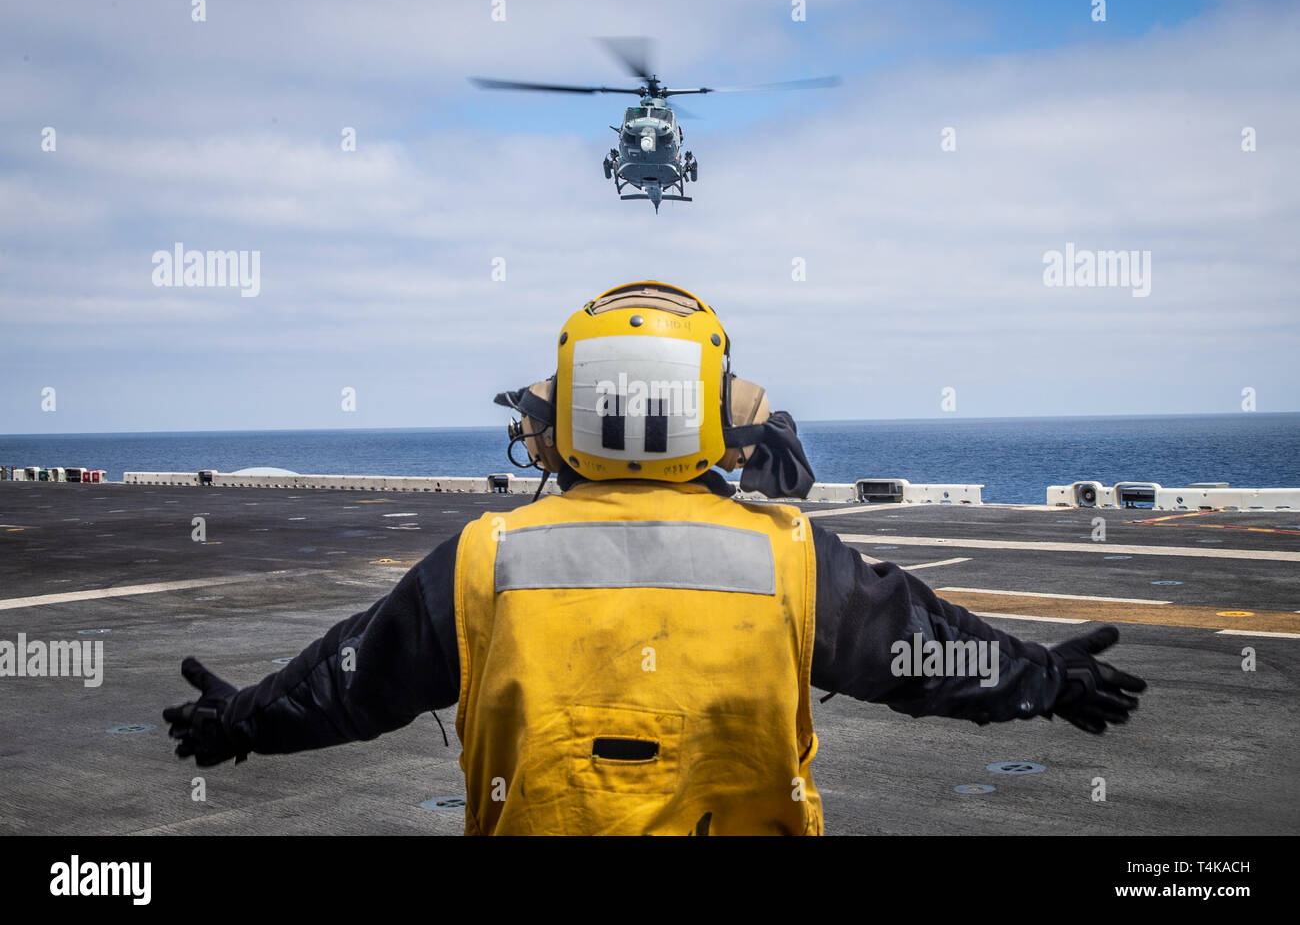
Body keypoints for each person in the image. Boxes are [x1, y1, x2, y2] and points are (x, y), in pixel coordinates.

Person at [163, 281, 1146, 835]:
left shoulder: (482, 561)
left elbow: (350, 682)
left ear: (556, 422)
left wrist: (239, 719)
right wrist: (1045, 680)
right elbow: (930, 654)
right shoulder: (792, 558)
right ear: (719, 418)